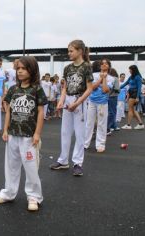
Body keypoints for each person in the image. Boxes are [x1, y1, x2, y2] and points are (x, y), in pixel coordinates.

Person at [0, 56, 47, 212]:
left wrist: (37, 134)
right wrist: (5, 129)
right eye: (18, 68)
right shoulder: (13, 89)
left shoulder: (37, 89)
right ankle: (8, 192)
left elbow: (41, 112)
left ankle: (34, 196)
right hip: (13, 134)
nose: (20, 71)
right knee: (11, 166)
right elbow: (8, 110)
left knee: (30, 167)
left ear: (32, 70)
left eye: (24, 68)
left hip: (29, 136)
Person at [50, 39, 93, 176]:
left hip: (79, 100)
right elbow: (64, 88)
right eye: (68, 51)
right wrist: (60, 102)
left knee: (80, 134)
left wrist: (77, 103)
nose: (69, 53)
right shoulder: (67, 68)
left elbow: (89, 89)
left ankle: (78, 163)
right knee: (65, 132)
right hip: (68, 100)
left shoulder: (86, 66)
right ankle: (63, 160)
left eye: (71, 51)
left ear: (80, 51)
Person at [84, 59, 114, 153]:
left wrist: (104, 78)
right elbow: (91, 87)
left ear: (109, 66)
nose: (104, 65)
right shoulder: (94, 75)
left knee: (102, 124)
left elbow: (105, 90)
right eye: (102, 63)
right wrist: (101, 78)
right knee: (89, 123)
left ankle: (100, 144)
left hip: (103, 103)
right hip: (92, 101)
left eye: (106, 63)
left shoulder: (111, 78)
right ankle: (85, 143)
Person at [120, 65, 144, 129]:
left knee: (130, 109)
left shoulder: (138, 77)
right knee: (133, 110)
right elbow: (125, 83)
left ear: (133, 70)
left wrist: (137, 97)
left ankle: (128, 125)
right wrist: (118, 88)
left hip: (135, 93)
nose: (129, 71)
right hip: (131, 93)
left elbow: (139, 87)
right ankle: (140, 124)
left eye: (130, 69)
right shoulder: (131, 77)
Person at [107, 68, 120, 134]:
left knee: (110, 112)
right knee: (112, 112)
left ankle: (114, 125)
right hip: (113, 96)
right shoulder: (116, 78)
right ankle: (108, 127)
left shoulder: (108, 78)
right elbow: (117, 89)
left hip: (107, 96)